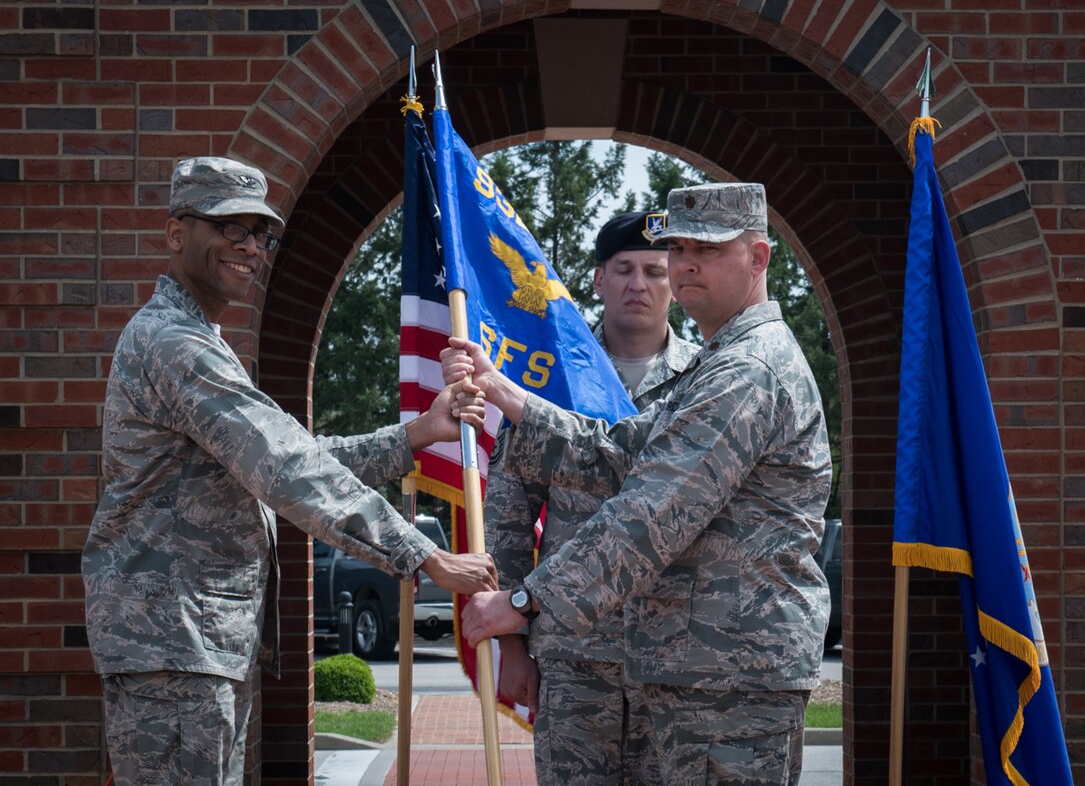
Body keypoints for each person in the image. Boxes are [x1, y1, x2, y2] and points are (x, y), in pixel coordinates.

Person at [82, 156, 497, 785]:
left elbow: (282, 453)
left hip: (190, 641)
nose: (249, 247)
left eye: (260, 233)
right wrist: (422, 555)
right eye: (229, 228)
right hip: (171, 642)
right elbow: (284, 466)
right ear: (176, 234)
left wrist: (417, 434)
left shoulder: (196, 338)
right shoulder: (175, 345)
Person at [446, 182, 831, 785]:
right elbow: (621, 452)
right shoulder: (721, 362)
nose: (685, 266)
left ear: (758, 259)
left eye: (706, 249)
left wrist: (523, 603)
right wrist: (505, 392)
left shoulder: (746, 371)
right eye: (679, 249)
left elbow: (650, 514)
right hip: (687, 669)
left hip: (728, 676)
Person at [485, 211, 698, 784]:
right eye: (624, 269)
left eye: (655, 271)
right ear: (599, 280)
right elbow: (507, 519)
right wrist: (513, 644)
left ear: (675, 280)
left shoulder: (706, 378)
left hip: (676, 653)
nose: (639, 285)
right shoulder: (549, 381)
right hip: (574, 656)